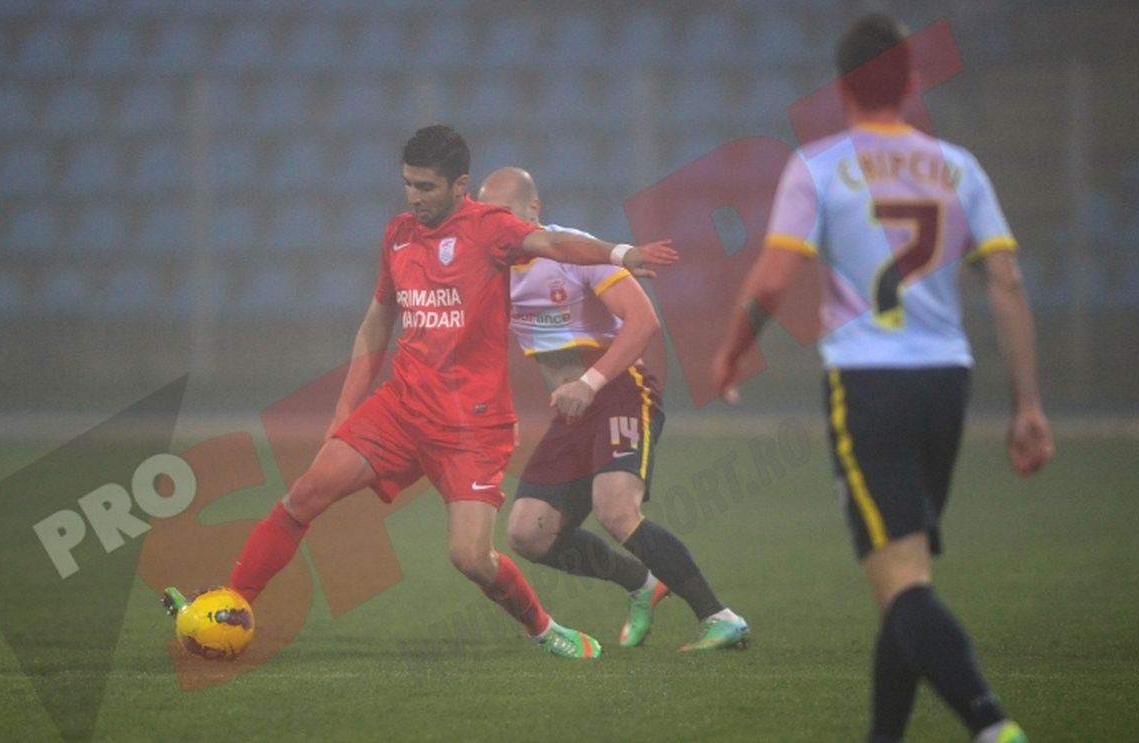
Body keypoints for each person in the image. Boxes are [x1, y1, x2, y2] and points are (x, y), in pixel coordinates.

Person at [165, 126, 678, 660]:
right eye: (408, 184)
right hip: (402, 408)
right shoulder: (398, 235)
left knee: (470, 557)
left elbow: (551, 242)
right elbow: (373, 326)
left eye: (426, 187)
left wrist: (621, 254)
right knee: (303, 496)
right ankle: (233, 602)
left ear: (460, 186)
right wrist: (344, 418)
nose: (414, 197)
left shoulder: (490, 228)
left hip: (472, 427)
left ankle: (546, 629)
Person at [711, 15, 1052, 743]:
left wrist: (735, 347)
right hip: (946, 383)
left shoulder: (820, 166)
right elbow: (1008, 280)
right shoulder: (959, 166)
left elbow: (773, 278)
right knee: (902, 575)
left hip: (868, 385)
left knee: (902, 584)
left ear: (840, 91)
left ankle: (991, 724)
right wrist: (1028, 404)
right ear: (912, 82)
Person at [478, 167, 749, 651]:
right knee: (527, 533)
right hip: (572, 411)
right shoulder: (490, 267)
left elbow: (644, 321)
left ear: (533, 211)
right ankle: (643, 582)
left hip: (621, 388)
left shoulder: (572, 251)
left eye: (504, 215)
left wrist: (590, 380)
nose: (494, 227)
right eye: (485, 217)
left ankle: (720, 616)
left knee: (616, 508)